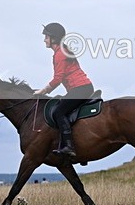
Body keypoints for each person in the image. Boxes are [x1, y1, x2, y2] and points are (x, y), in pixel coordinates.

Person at [33, 22, 94, 158]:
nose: (44, 40)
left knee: (58, 112)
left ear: (53, 38)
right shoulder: (62, 51)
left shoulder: (59, 54)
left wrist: (43, 91)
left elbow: (58, 78)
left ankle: (68, 146)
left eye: (46, 37)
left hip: (80, 88)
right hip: (81, 88)